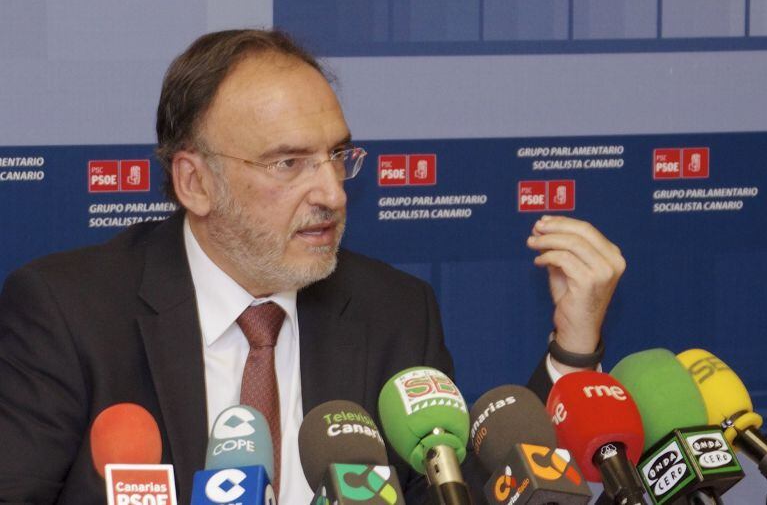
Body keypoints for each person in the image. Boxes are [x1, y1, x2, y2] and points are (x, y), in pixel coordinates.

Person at [0, 29, 625, 504]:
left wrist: (572, 349)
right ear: (195, 182)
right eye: (289, 163)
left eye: (337, 156)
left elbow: (462, 488)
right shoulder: (68, 313)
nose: (332, 192)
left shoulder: (394, 311)